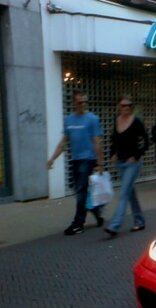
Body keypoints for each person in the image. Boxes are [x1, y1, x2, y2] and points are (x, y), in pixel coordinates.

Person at [47, 89, 104, 235]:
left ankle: (78, 224)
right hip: (75, 160)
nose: (83, 104)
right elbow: (63, 142)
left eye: (85, 101)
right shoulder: (69, 120)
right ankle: (96, 210)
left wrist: (100, 163)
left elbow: (97, 142)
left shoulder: (92, 119)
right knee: (78, 191)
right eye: (79, 102)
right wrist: (52, 158)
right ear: (74, 103)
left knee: (80, 191)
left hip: (88, 159)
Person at [104, 94, 149, 237]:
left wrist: (136, 156)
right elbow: (114, 140)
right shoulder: (116, 120)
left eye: (129, 105)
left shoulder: (136, 122)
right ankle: (140, 220)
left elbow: (147, 141)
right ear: (119, 107)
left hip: (132, 164)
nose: (126, 108)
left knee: (123, 193)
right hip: (120, 163)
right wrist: (112, 153)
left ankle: (115, 225)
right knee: (130, 193)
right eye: (123, 105)